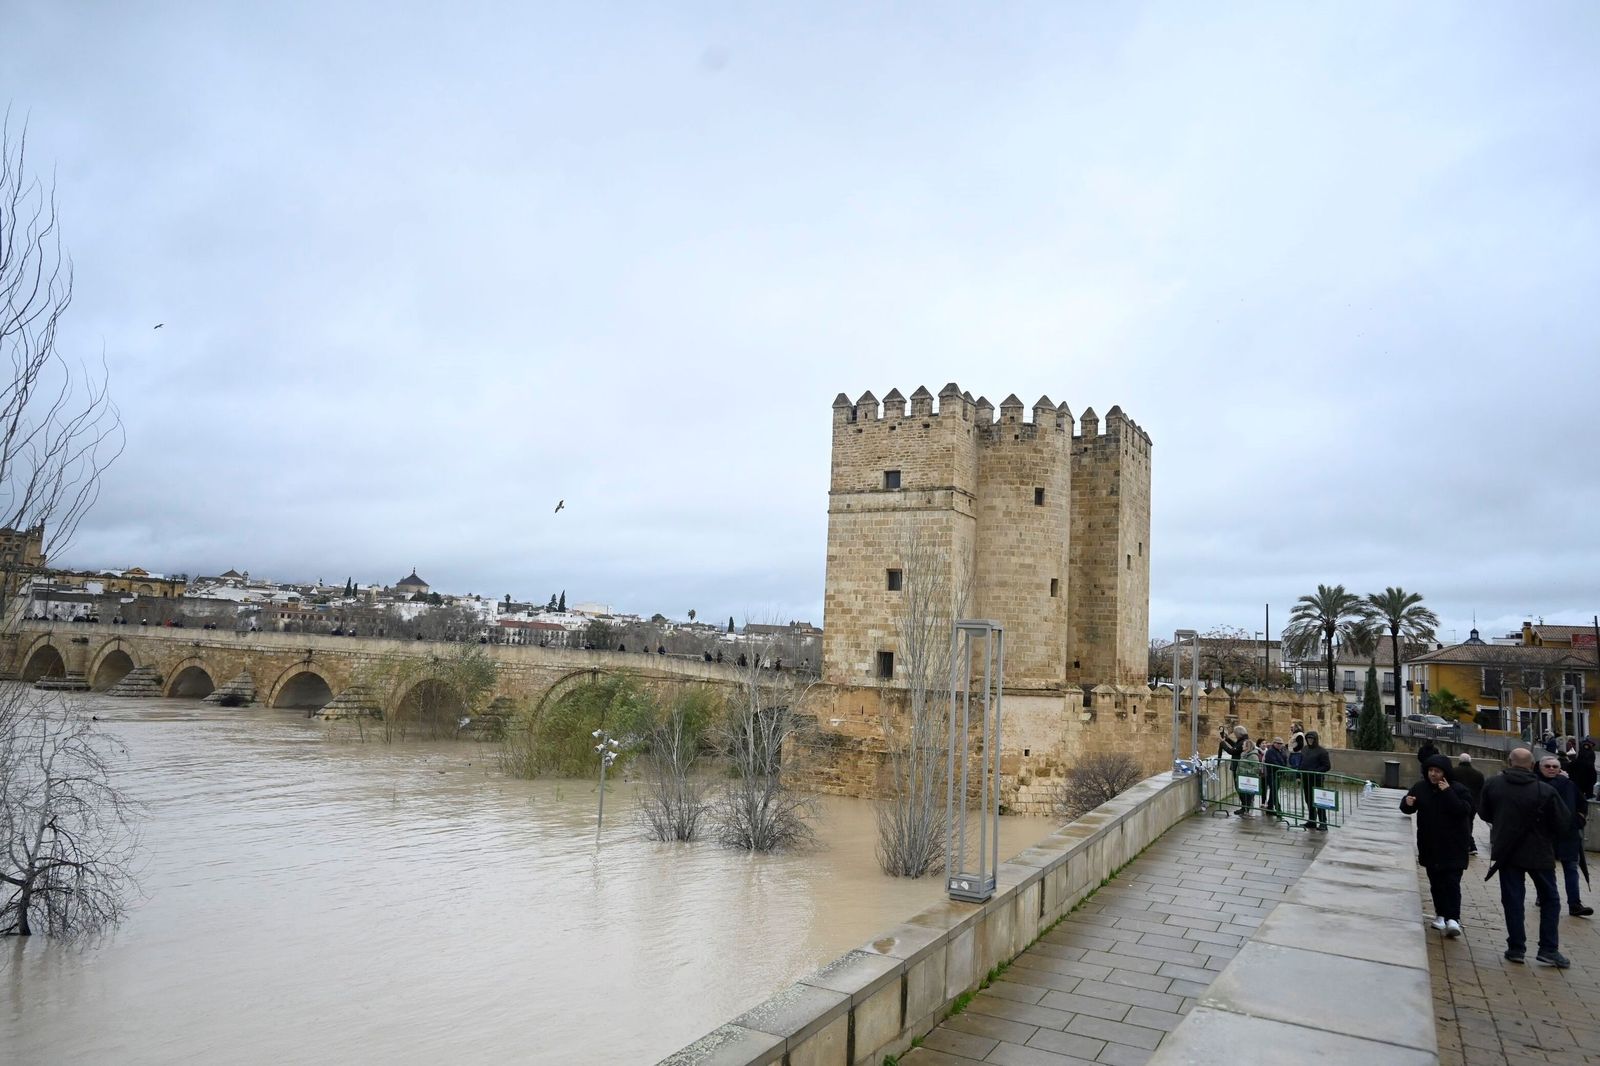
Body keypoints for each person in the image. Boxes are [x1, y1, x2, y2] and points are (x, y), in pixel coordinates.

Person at [1480, 747, 1573, 966]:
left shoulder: (1493, 784)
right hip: (1539, 853)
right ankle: (1548, 949)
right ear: (1532, 766)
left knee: (1513, 900)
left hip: (1507, 851)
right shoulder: (1544, 790)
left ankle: (1516, 948)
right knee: (1550, 899)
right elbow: (1563, 823)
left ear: (1509, 762)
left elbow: (1484, 813)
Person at [1401, 754, 1475, 937]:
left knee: (1451, 882)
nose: (1433, 775)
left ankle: (1453, 918)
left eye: (1437, 771)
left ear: (1445, 773)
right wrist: (1407, 803)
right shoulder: (1420, 787)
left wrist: (1448, 792)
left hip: (1453, 845)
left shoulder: (1458, 789)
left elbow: (1463, 810)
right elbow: (1407, 807)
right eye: (1430, 771)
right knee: (1436, 883)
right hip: (1430, 844)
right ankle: (1440, 914)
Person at [1537, 753, 1593, 917]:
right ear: (1540, 768)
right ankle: (1545, 896)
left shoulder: (1570, 785)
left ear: (1560, 769)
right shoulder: (1535, 784)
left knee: (1571, 869)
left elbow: (1582, 804)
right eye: (1547, 766)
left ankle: (1574, 904)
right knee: (1546, 869)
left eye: (1555, 766)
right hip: (1545, 835)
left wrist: (1579, 821)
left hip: (1569, 835)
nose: (1551, 769)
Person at [1454, 754, 1486, 855]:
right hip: (1473, 803)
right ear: (1470, 761)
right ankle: (1469, 844)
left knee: (1457, 823)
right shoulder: (1479, 774)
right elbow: (1481, 790)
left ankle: (1467, 844)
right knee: (1469, 823)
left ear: (1459, 760)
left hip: (1456, 802)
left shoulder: (1453, 772)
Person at [1300, 730, 1331, 831]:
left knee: (1319, 801)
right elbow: (1301, 763)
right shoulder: (1304, 749)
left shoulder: (1322, 751)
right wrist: (1298, 775)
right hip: (1306, 778)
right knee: (1308, 800)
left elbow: (1327, 766)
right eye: (1308, 739)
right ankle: (1312, 820)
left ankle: (1323, 822)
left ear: (1315, 739)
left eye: (1311, 739)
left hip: (1316, 779)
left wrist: (1315, 771)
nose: (1310, 740)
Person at [1218, 726, 1253, 815]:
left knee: (1240, 788)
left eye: (1235, 734)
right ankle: (1245, 807)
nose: (1235, 735)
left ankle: (1245, 807)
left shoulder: (1243, 742)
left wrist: (1223, 743)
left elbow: (1232, 751)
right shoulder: (1243, 740)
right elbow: (1235, 746)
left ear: (1238, 734)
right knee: (1241, 788)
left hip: (1239, 768)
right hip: (1240, 767)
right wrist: (1227, 739)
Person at [1262, 737, 1288, 818]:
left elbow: (1284, 760)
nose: (1280, 745)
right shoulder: (1270, 751)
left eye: (1281, 744)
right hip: (1272, 774)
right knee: (1274, 791)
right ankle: (1278, 808)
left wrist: (1282, 767)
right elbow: (1273, 762)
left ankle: (1270, 808)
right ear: (1274, 743)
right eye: (1278, 743)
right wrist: (1282, 767)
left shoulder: (1281, 751)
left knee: (1274, 791)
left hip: (1278, 774)